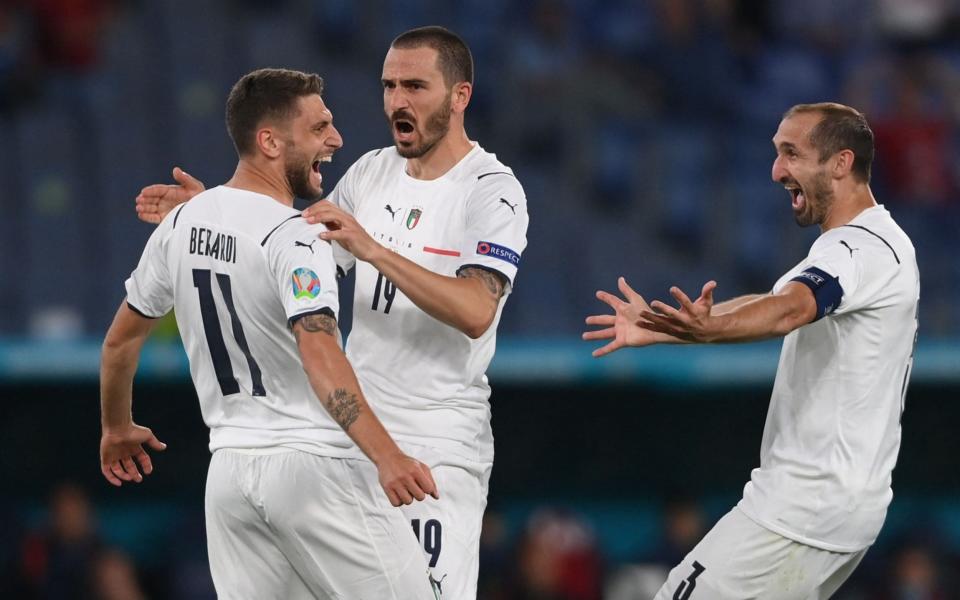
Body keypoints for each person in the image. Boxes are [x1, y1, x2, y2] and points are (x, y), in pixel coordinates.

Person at [134, 27, 528, 599]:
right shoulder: (371, 171)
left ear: (460, 96)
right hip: (349, 441)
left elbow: (475, 311)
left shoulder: (491, 190)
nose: (398, 101)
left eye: (415, 86)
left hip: (435, 447)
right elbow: (296, 245)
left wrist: (373, 250)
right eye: (389, 86)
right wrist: (213, 211)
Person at [100, 67, 439, 599]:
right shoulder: (296, 239)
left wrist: (116, 427)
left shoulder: (183, 223)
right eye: (320, 127)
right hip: (312, 470)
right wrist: (386, 455)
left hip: (230, 477)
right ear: (270, 142)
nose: (336, 139)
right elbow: (320, 354)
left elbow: (120, 342)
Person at [584, 102, 919, 599]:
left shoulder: (862, 250)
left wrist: (705, 333)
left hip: (805, 502)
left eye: (791, 154)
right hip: (835, 504)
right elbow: (770, 300)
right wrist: (666, 327)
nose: (776, 170)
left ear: (841, 163)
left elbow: (787, 311)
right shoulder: (860, 245)